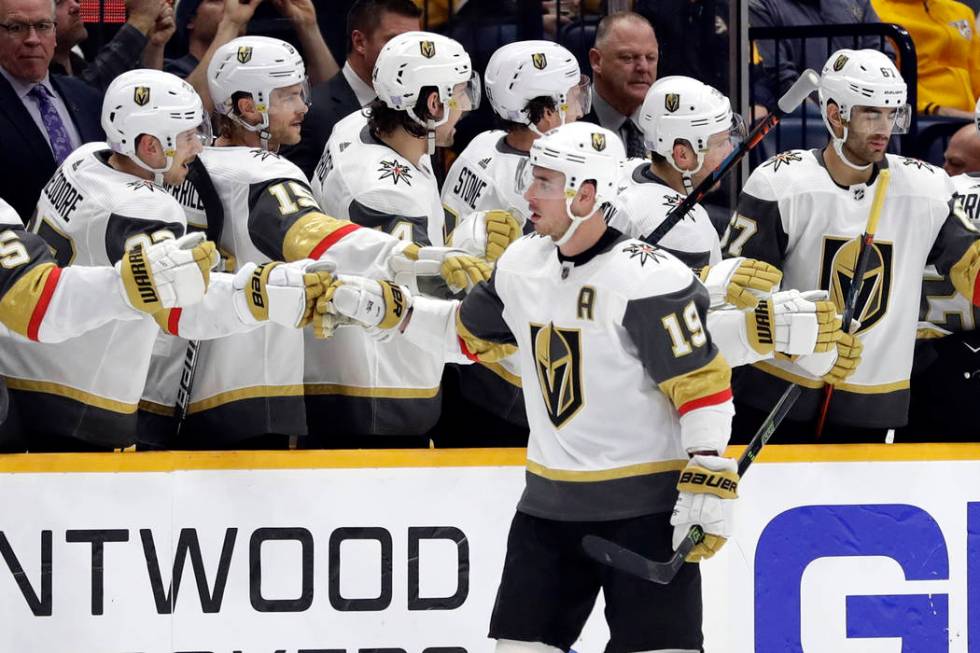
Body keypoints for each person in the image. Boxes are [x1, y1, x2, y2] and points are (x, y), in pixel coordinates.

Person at [322, 122, 737, 652]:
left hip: (644, 516)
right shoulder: (521, 265)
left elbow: (701, 384)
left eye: (543, 181)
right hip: (548, 511)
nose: (527, 194)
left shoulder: (650, 280)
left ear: (586, 195)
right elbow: (464, 336)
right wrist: (392, 310)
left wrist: (707, 470)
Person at [147, 35, 487, 448]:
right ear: (247, 106)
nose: (304, 106)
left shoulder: (198, 162)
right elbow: (309, 235)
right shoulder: (264, 175)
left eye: (302, 91)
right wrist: (408, 254)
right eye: (289, 96)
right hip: (249, 384)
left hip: (187, 375)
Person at [1, 68, 329, 451]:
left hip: (21, 369)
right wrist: (262, 293)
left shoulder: (84, 158)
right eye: (188, 136)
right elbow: (179, 306)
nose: (199, 147)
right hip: (82, 401)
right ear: (150, 146)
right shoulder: (147, 208)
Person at [722, 48, 980, 442]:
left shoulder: (925, 189)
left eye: (892, 114)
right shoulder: (779, 182)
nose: (884, 128)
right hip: (776, 397)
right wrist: (803, 347)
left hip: (874, 403)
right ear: (834, 113)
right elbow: (737, 296)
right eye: (870, 113)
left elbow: (969, 268)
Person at [307, 30, 485, 444]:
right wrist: (471, 244)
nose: (465, 108)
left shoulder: (357, 125)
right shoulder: (387, 192)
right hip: (380, 392)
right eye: (459, 95)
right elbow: (419, 298)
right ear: (433, 103)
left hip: (353, 373)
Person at [0, 195, 214, 445]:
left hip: (28, 374)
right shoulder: (142, 207)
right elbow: (31, 299)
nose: (196, 151)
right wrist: (125, 287)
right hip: (67, 388)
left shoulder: (82, 165)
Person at [609, 75, 742, 267]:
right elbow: (687, 297)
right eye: (721, 143)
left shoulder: (624, 170)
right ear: (683, 155)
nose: (730, 150)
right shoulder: (685, 229)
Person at [284, 0, 420, 179]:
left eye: (414, 43)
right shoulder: (310, 113)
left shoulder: (417, 109)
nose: (408, 54)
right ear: (359, 42)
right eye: (395, 41)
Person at [0, 0, 104, 220]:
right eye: (16, 28)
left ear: (55, 33)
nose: (32, 39)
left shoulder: (88, 99)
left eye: (43, 26)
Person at [165, 0, 336, 111]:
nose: (232, 6)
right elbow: (191, 111)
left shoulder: (257, 69)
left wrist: (308, 26)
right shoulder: (173, 71)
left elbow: (334, 101)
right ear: (189, 20)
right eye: (217, 0)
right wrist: (231, 23)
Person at [872, 0, 980, 117]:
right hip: (920, 118)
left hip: (970, 116)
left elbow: (976, 73)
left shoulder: (962, 12)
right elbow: (879, 88)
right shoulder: (875, 13)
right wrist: (932, 109)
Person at [50, 0, 174, 90]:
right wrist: (140, 20)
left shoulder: (78, 65)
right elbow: (82, 95)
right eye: (58, 2)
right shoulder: (40, 75)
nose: (77, 6)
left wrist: (154, 46)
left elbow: (140, 102)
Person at [583, 11, 658, 158]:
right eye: (628, 58)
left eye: (651, 58)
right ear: (596, 61)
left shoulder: (670, 123)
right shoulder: (569, 124)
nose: (643, 67)